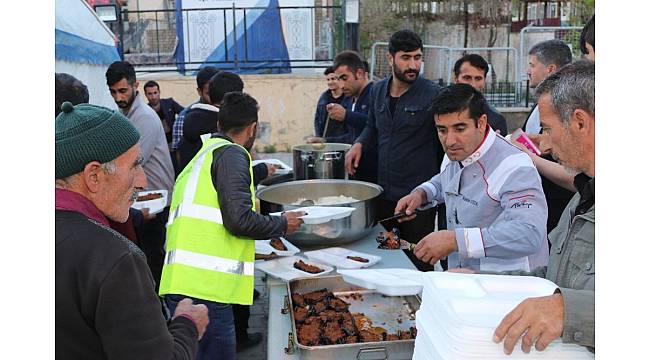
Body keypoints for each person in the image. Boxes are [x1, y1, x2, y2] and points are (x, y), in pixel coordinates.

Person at [460, 60, 595, 354]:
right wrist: (485, 281)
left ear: (580, 122)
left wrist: (568, 310)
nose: (542, 141)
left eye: (547, 128)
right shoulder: (584, 196)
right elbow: (554, 278)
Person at [55, 101, 209, 359]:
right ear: (94, 176)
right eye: (134, 166)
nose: (143, 180)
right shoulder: (115, 258)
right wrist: (187, 325)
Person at [159, 92, 305, 360]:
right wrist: (282, 224)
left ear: (219, 125)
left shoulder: (204, 154)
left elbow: (212, 222)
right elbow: (238, 220)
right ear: (253, 128)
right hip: (205, 288)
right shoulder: (233, 154)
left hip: (183, 282)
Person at [395, 84, 548, 272]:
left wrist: (455, 241)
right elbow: (448, 180)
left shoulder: (515, 166)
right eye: (442, 130)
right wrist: (423, 193)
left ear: (481, 123)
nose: (450, 141)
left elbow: (529, 234)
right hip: (464, 277)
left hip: (509, 286)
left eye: (460, 129)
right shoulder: (458, 151)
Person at [345, 29, 445, 271]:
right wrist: (359, 143)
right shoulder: (378, 90)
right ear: (390, 59)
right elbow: (372, 125)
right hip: (385, 194)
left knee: (418, 258)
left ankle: (422, 304)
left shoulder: (433, 95)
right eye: (406, 57)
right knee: (386, 254)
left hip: (417, 198)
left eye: (418, 58)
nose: (413, 64)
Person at [106, 60, 176, 291]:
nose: (118, 97)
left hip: (155, 201)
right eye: (113, 92)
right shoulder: (127, 113)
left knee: (153, 260)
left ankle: (160, 310)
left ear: (136, 85)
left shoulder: (143, 117)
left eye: (123, 90)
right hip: (143, 201)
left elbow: (130, 164)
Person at [520, 40, 575, 235]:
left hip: (561, 211)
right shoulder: (542, 103)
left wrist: (532, 158)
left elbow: (577, 176)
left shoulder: (568, 105)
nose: (528, 71)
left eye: (532, 65)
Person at [172, 66, 220, 171]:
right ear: (199, 91)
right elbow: (179, 158)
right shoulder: (184, 118)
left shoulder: (225, 114)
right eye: (208, 94)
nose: (214, 98)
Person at [452, 54, 508, 135]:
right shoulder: (437, 111)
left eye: (478, 79)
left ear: (484, 81)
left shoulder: (495, 120)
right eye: (467, 78)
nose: (473, 84)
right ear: (456, 79)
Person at [144, 80, 185, 173]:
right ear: (145, 95)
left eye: (155, 93)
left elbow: (185, 113)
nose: (153, 97)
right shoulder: (145, 111)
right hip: (157, 148)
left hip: (173, 145)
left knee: (177, 170)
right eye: (150, 94)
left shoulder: (169, 103)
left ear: (159, 92)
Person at [313, 66, 348, 140]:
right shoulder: (324, 97)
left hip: (343, 141)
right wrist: (318, 136)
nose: (330, 82)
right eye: (328, 79)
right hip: (326, 141)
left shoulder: (348, 97)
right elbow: (317, 118)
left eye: (333, 79)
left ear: (339, 80)